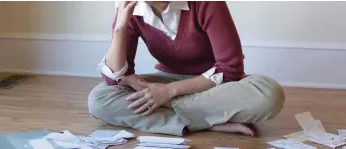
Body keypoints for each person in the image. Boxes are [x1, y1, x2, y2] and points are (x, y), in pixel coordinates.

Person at [88, 1, 285, 136]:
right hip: (167, 78)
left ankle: (185, 117)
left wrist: (168, 93)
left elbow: (230, 69)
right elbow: (114, 79)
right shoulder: (130, 9)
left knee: (268, 93)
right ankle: (210, 122)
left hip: (214, 86)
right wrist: (120, 28)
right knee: (100, 99)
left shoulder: (207, 3)